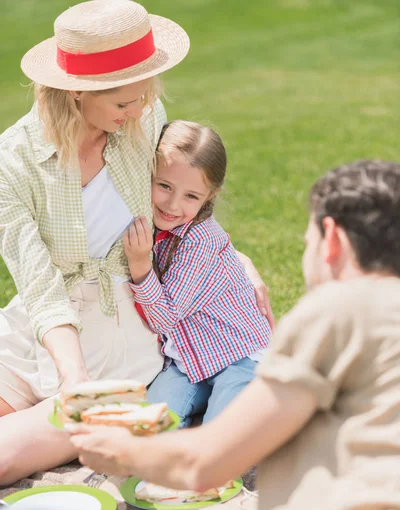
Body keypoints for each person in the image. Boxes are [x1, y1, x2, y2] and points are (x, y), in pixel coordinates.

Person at [1, 159, 399, 510]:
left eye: (307, 241)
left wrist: (114, 445)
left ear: (333, 243)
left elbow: (205, 464)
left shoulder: (342, 309)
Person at [0, 0, 273, 485]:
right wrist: (72, 376)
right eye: (125, 102)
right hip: (46, 326)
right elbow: (40, 288)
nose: (142, 110)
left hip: (121, 336)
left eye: (146, 96)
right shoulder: (13, 161)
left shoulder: (143, 121)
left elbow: (183, 204)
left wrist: (237, 261)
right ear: (78, 92)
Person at [124, 120, 272, 426]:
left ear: (210, 195)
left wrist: (140, 268)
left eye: (191, 196)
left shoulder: (201, 238)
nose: (173, 205)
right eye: (164, 186)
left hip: (238, 357)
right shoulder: (153, 224)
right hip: (187, 362)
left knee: (222, 432)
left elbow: (165, 317)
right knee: (148, 426)